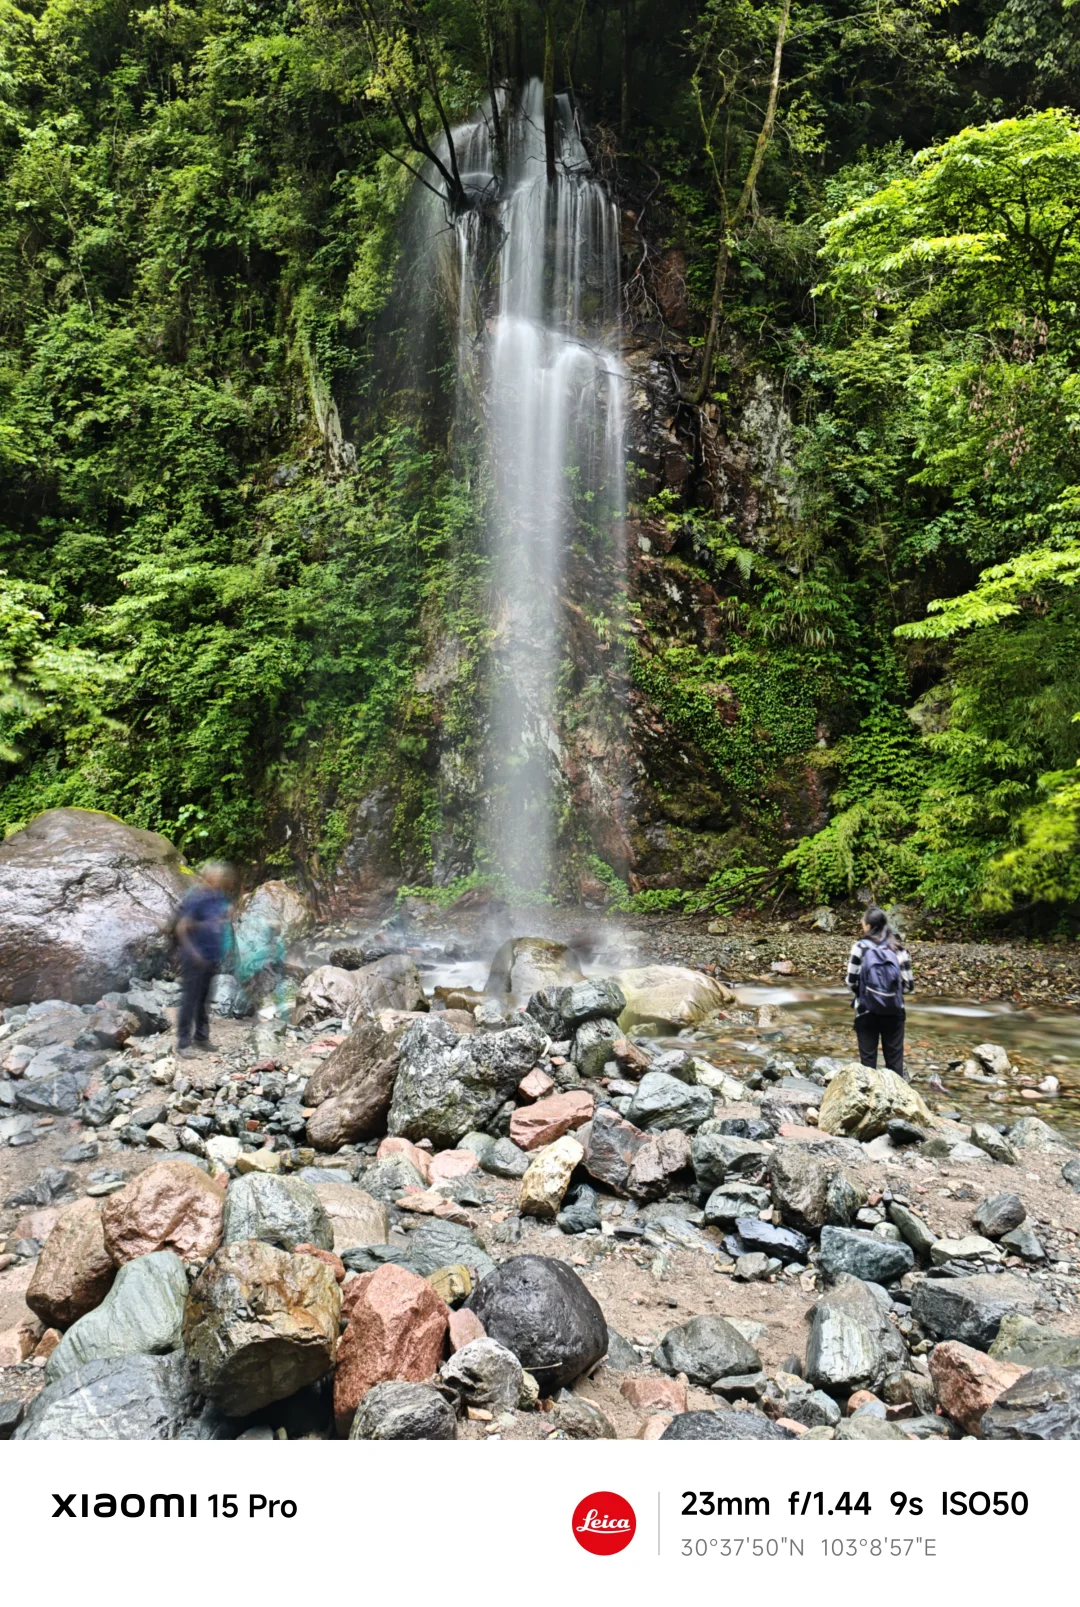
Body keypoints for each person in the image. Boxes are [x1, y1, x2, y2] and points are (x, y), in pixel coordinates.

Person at [174, 862, 237, 1056]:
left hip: (210, 957)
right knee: (189, 1000)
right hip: (194, 958)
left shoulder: (218, 897)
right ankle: (183, 1043)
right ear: (208, 876)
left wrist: (225, 917)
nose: (221, 878)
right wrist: (195, 954)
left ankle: (201, 1038)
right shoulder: (197, 897)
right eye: (217, 875)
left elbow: (218, 921)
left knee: (203, 1001)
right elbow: (181, 927)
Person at [845, 905, 914, 1078]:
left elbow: (851, 981)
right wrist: (889, 993)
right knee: (895, 1062)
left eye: (863, 922)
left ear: (868, 926)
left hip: (866, 1010)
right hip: (894, 1011)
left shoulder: (860, 947)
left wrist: (866, 993)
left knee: (868, 1064)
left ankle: (869, 1093)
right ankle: (897, 1093)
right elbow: (909, 986)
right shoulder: (897, 948)